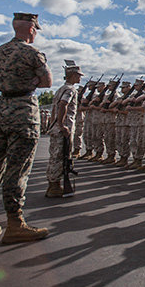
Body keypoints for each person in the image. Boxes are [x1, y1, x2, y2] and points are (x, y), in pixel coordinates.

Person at [0, 12, 50, 244]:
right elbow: (47, 82)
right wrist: (32, 81)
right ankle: (15, 225)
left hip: (1, 109)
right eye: (35, 29)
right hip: (23, 111)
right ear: (31, 29)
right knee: (17, 170)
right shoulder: (32, 52)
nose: (36, 33)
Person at [45, 60, 83, 197]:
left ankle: (52, 185)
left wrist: (54, 124)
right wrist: (62, 125)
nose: (80, 78)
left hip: (56, 128)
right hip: (63, 128)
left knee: (55, 156)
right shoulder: (70, 89)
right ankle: (54, 187)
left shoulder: (60, 89)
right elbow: (63, 105)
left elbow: (56, 108)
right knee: (61, 156)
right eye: (78, 75)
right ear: (72, 75)